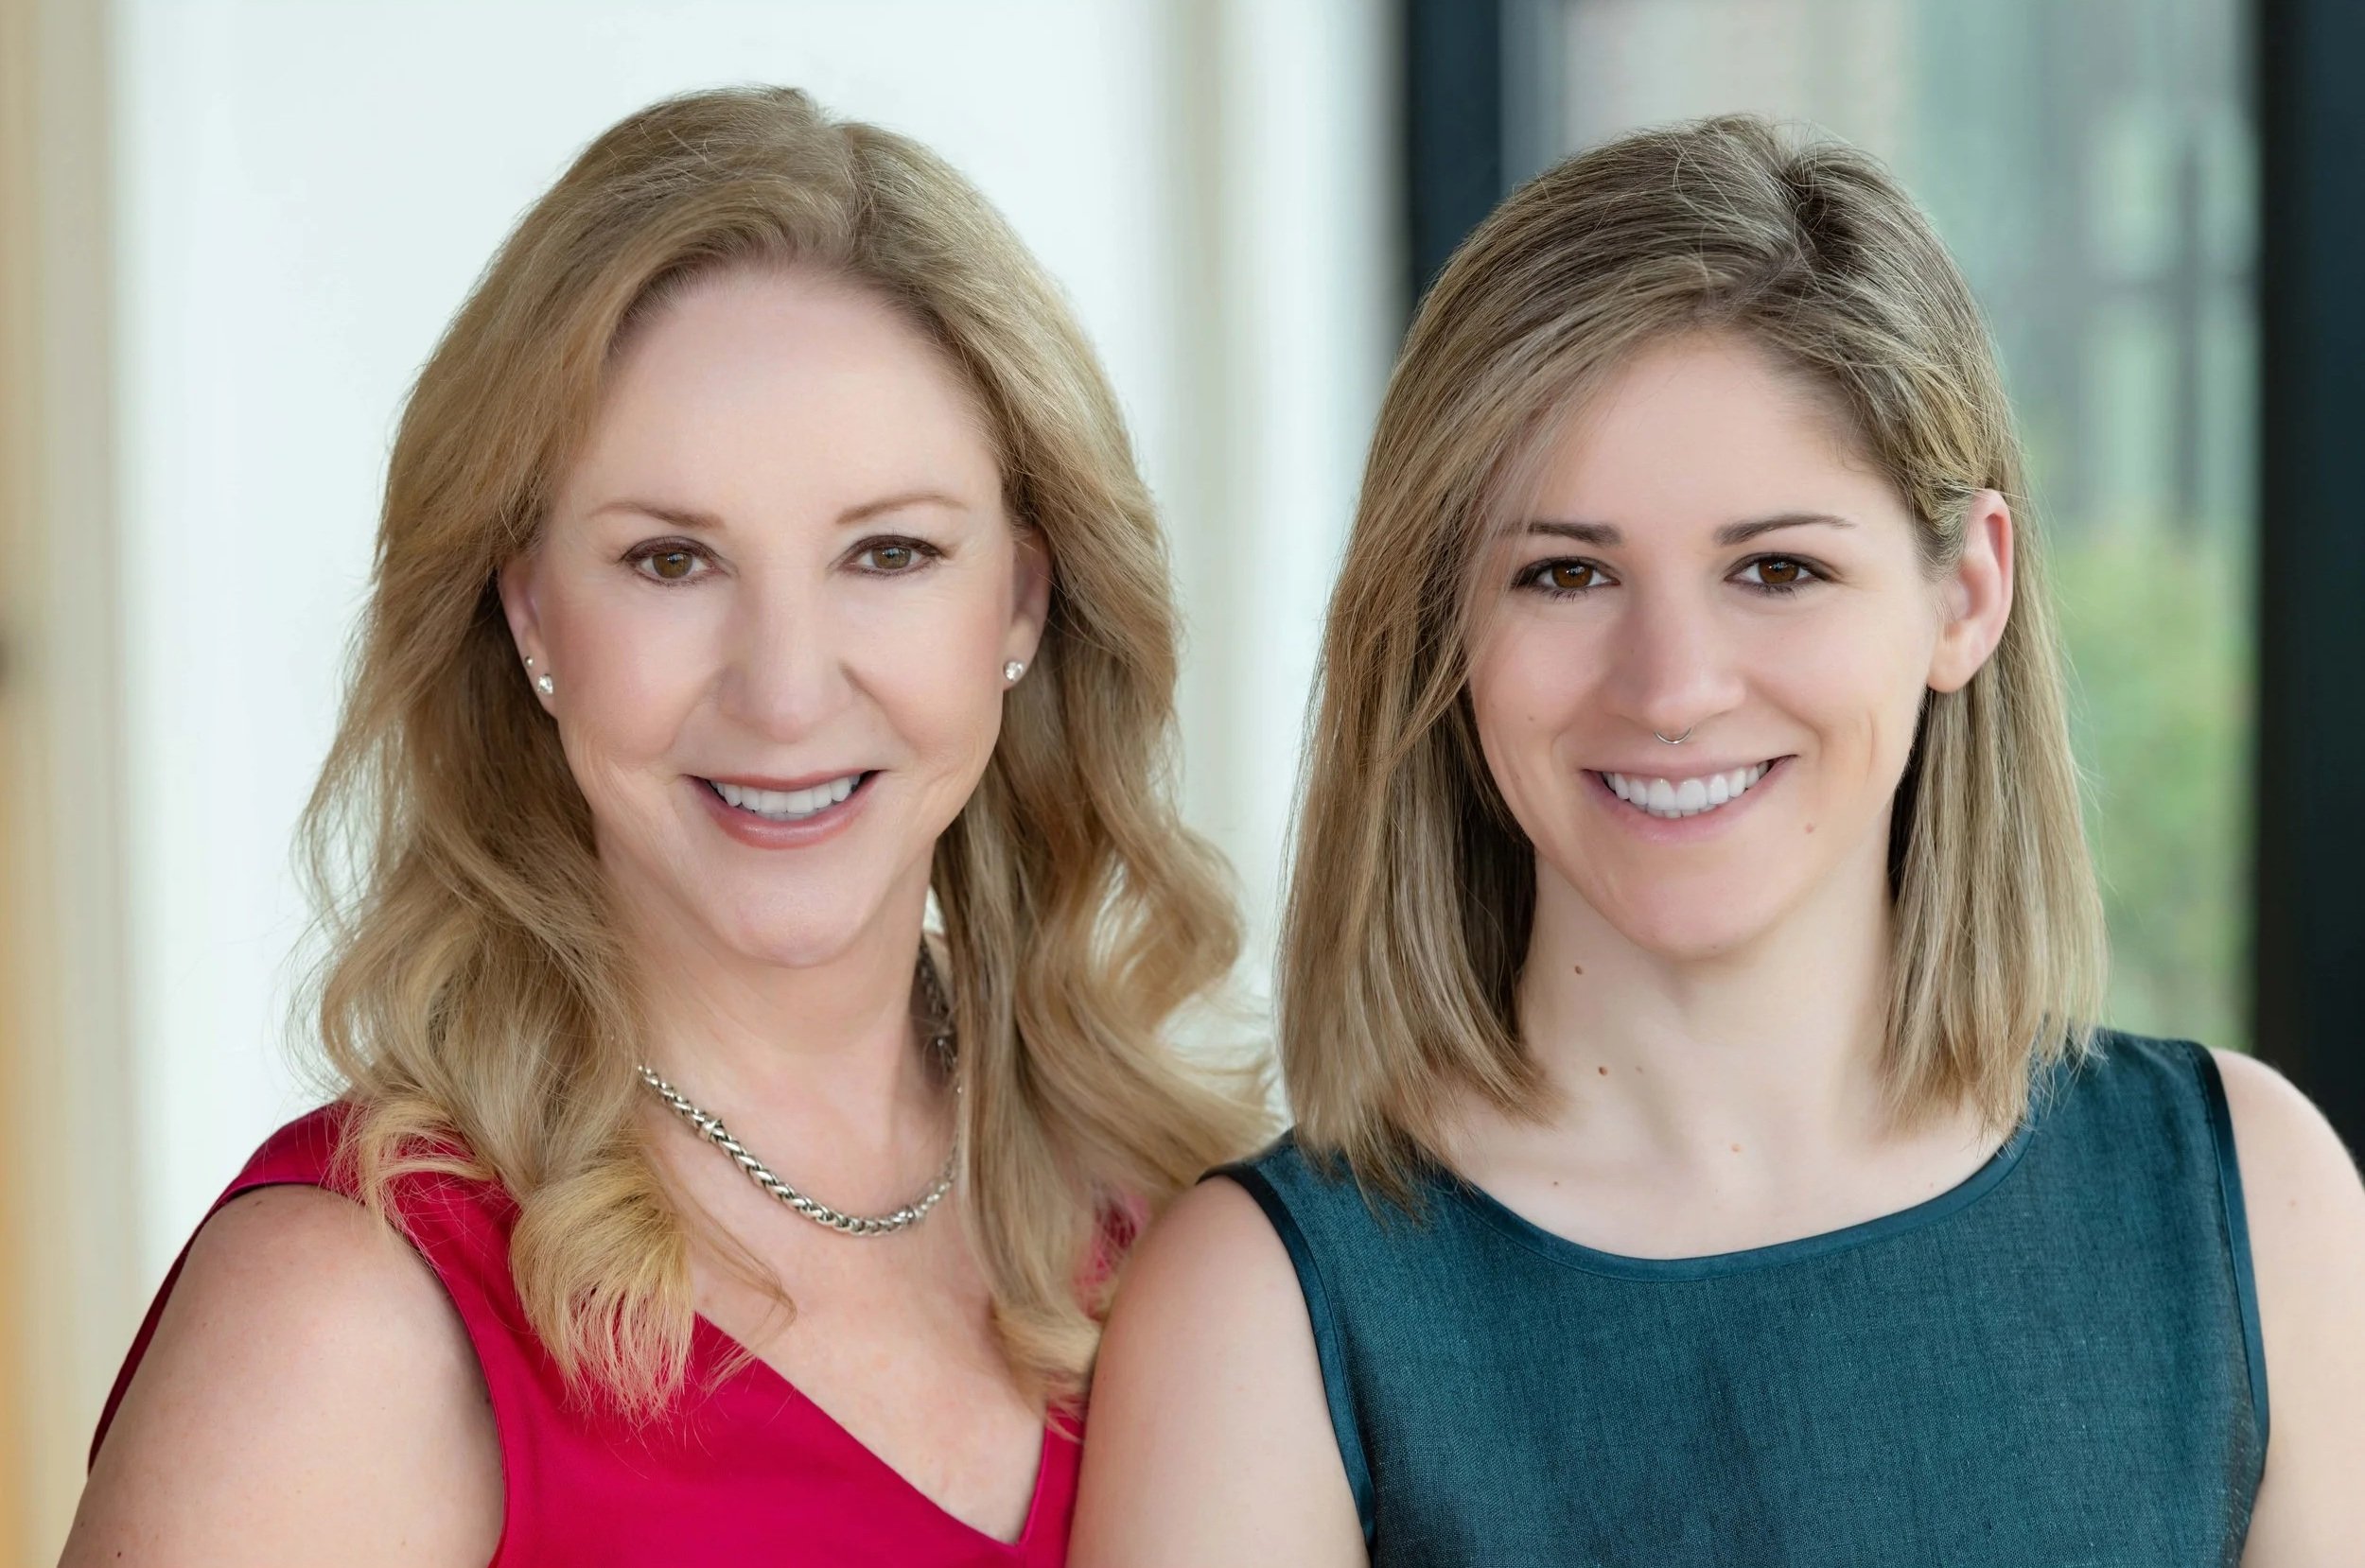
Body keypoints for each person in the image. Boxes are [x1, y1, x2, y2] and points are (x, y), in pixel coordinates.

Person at [1074, 115, 2365, 1567]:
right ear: (1446, 626)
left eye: (1777, 568)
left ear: (1966, 594)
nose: (1674, 685)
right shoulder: (1259, 1314)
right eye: (1565, 573)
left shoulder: (2257, 1204)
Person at [65, 85, 1263, 1567]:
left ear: (1019, 601)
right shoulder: (347, 1318)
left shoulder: (1196, 1246)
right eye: (670, 557)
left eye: (888, 551)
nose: (782, 688)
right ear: (528, 609)